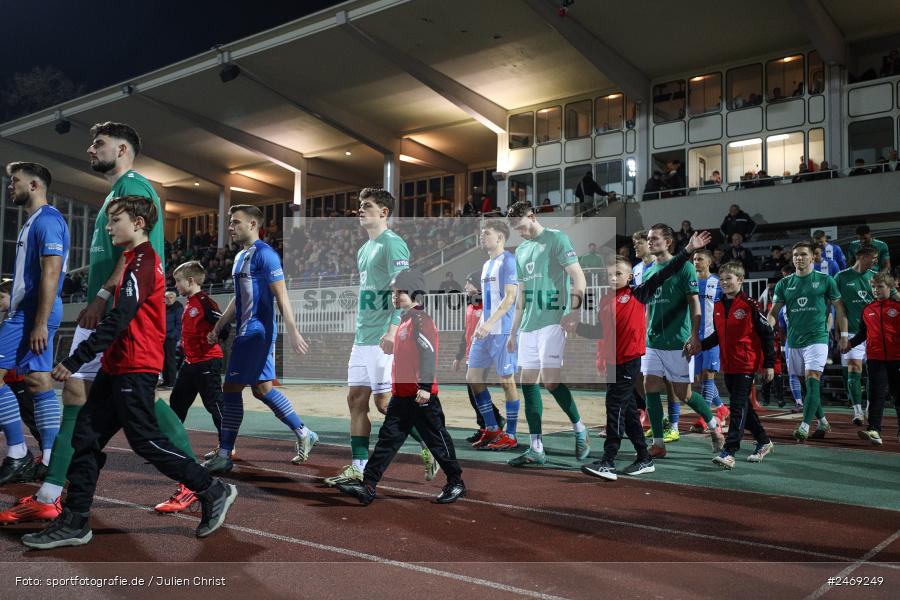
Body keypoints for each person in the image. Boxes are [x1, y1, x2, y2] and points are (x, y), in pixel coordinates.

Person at [4, 122, 203, 526]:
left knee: (97, 397)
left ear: (124, 148)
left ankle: (195, 483)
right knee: (89, 397)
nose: (90, 150)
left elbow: (133, 251)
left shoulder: (133, 186)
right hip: (109, 307)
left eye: (99, 144)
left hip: (117, 311)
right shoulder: (116, 190)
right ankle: (53, 493)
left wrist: (101, 297)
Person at [22, 196, 237, 549]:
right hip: (116, 366)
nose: (109, 227)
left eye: (115, 219)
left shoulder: (143, 262)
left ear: (138, 223)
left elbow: (120, 319)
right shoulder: (130, 259)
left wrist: (76, 359)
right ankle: (76, 521)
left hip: (135, 368)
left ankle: (212, 489)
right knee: (85, 439)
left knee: (145, 441)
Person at [569, 230, 712, 481]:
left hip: (629, 361)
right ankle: (644, 458)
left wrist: (688, 250)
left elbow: (666, 272)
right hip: (614, 363)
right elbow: (602, 331)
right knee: (629, 410)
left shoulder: (638, 293)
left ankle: (608, 461)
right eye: (610, 274)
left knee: (614, 407)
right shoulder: (606, 300)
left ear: (629, 276)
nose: (613, 278)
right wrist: (576, 327)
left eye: (619, 274)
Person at [324, 189, 436, 487]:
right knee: (355, 400)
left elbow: (406, 289)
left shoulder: (393, 244)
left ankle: (429, 444)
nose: (360, 211)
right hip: (362, 336)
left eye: (367, 206)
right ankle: (359, 466)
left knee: (386, 404)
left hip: (383, 337)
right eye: (360, 206)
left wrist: (392, 329)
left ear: (384, 212)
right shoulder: (364, 249)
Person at [201, 204, 316, 474]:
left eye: (235, 222)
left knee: (230, 389)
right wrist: (218, 326)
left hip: (256, 333)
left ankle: (225, 453)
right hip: (245, 331)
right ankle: (304, 432)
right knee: (262, 389)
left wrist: (294, 330)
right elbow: (237, 298)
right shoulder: (241, 256)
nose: (230, 227)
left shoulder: (267, 255)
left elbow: (282, 296)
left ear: (253, 225)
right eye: (230, 222)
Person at [336, 269, 466, 505]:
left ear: (415, 293)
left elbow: (429, 355)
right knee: (387, 441)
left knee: (437, 440)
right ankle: (368, 486)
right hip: (401, 396)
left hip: (420, 397)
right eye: (394, 292)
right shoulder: (405, 320)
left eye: (400, 292)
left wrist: (425, 387)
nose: (395, 297)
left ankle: (456, 481)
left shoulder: (421, 320)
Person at [505, 200, 589, 466]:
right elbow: (520, 295)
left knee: (551, 381)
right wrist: (512, 331)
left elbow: (578, 277)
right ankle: (536, 447)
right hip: (528, 325)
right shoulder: (521, 250)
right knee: (528, 383)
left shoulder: (557, 239)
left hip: (553, 321)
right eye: (517, 230)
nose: (521, 233)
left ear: (532, 216)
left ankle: (580, 430)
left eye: (522, 227)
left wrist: (573, 311)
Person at [0, 163, 66, 490]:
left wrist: (39, 321)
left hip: (31, 314)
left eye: (15, 181)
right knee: (39, 382)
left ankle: (18, 454)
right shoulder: (34, 222)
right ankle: (51, 459)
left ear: (36, 184)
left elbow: (52, 272)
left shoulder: (48, 220)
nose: (11, 186)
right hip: (29, 310)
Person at [642, 224, 725, 459]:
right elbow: (648, 306)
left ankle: (713, 424)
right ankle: (659, 442)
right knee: (650, 386)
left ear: (668, 242)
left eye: (654, 238)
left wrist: (695, 334)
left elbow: (694, 303)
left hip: (678, 341)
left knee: (684, 394)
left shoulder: (685, 268)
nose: (650, 242)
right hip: (653, 342)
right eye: (648, 238)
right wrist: (644, 332)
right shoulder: (649, 271)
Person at [153, 261, 229, 514]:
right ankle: (171, 446)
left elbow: (223, 324)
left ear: (191, 282)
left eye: (178, 281)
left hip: (208, 361)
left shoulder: (205, 302)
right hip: (191, 363)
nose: (175, 285)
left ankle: (226, 449)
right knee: (177, 404)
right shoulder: (189, 305)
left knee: (214, 404)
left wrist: (217, 334)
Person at [694, 261, 776, 469]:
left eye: (729, 279)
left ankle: (729, 452)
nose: (724, 283)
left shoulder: (750, 304)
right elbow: (718, 336)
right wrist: (699, 345)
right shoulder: (719, 305)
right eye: (721, 279)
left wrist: (769, 364)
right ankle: (764, 441)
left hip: (746, 364)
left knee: (738, 407)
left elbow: (767, 334)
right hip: (728, 364)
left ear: (740, 280)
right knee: (744, 408)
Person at [768, 241, 849, 442]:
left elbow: (839, 309)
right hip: (794, 341)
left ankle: (804, 426)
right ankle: (822, 420)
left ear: (813, 257)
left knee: (813, 378)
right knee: (806, 384)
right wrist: (766, 331)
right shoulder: (784, 284)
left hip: (817, 339)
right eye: (795, 255)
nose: (799, 258)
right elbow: (773, 313)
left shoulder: (826, 280)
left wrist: (843, 335)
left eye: (803, 254)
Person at [467, 221, 520, 450]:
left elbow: (510, 298)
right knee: (473, 378)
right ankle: (491, 428)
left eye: (486, 233)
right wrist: (481, 325)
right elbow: (489, 301)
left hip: (502, 331)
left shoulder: (508, 261)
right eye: (481, 233)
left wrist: (489, 323)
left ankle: (511, 434)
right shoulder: (487, 264)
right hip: (486, 330)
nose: (482, 236)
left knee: (507, 381)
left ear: (500, 237)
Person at [452, 271, 505, 443]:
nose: (466, 286)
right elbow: (465, 332)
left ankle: (492, 423)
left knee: (476, 393)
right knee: (473, 394)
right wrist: (459, 356)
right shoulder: (470, 304)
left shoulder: (487, 304)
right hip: (469, 352)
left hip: (482, 354)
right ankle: (487, 424)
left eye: (469, 283)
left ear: (477, 284)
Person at [849, 271, 900, 445]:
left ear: (890, 287)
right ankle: (874, 430)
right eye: (873, 287)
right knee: (876, 395)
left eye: (880, 286)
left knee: (898, 395)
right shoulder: (867, 309)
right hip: (875, 358)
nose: (876, 290)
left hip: (897, 358)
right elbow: (863, 333)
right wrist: (849, 344)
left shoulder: (898, 307)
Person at [833, 246, 879, 426]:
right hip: (852, 331)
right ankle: (858, 411)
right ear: (861, 256)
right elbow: (837, 307)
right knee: (853, 370)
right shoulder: (841, 277)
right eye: (873, 257)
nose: (875, 260)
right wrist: (839, 332)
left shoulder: (875, 278)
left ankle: (869, 408)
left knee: (873, 374)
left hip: (874, 332)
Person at [688, 249, 729, 437]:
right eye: (694, 259)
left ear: (710, 261)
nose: (696, 262)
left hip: (712, 337)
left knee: (708, 376)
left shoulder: (717, 283)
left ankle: (704, 419)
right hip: (694, 336)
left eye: (700, 259)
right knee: (699, 379)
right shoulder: (689, 281)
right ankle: (721, 408)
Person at [161, 291, 182, 388]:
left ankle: (172, 382)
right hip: (162, 338)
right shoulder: (163, 308)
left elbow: (179, 325)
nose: (169, 299)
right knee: (163, 360)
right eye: (167, 297)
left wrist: (172, 336)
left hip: (170, 338)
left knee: (170, 360)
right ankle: (166, 381)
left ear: (175, 298)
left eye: (171, 297)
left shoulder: (178, 308)